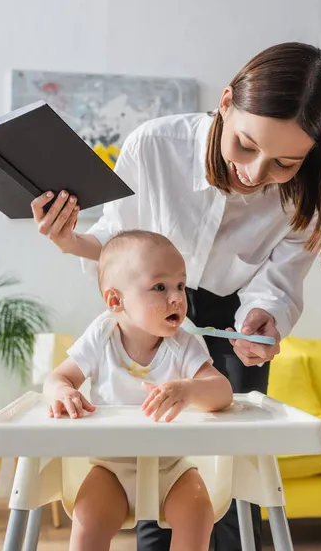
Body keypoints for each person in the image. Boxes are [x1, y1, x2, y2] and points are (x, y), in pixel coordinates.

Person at [32, 42, 321, 551]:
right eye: (246, 146)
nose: (253, 173)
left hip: (234, 317)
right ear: (225, 102)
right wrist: (70, 238)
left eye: (284, 163)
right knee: (149, 448)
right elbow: (117, 240)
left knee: (228, 477)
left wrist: (264, 317)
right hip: (149, 308)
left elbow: (278, 282)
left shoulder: (306, 195)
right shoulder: (155, 145)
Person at [44, 230, 233, 551]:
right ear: (115, 301)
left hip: (171, 468)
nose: (176, 298)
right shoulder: (102, 335)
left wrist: (189, 390)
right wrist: (63, 392)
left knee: (200, 512)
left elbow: (222, 391)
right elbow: (58, 378)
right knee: (87, 518)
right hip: (111, 467)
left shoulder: (184, 343)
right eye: (160, 287)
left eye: (180, 286)